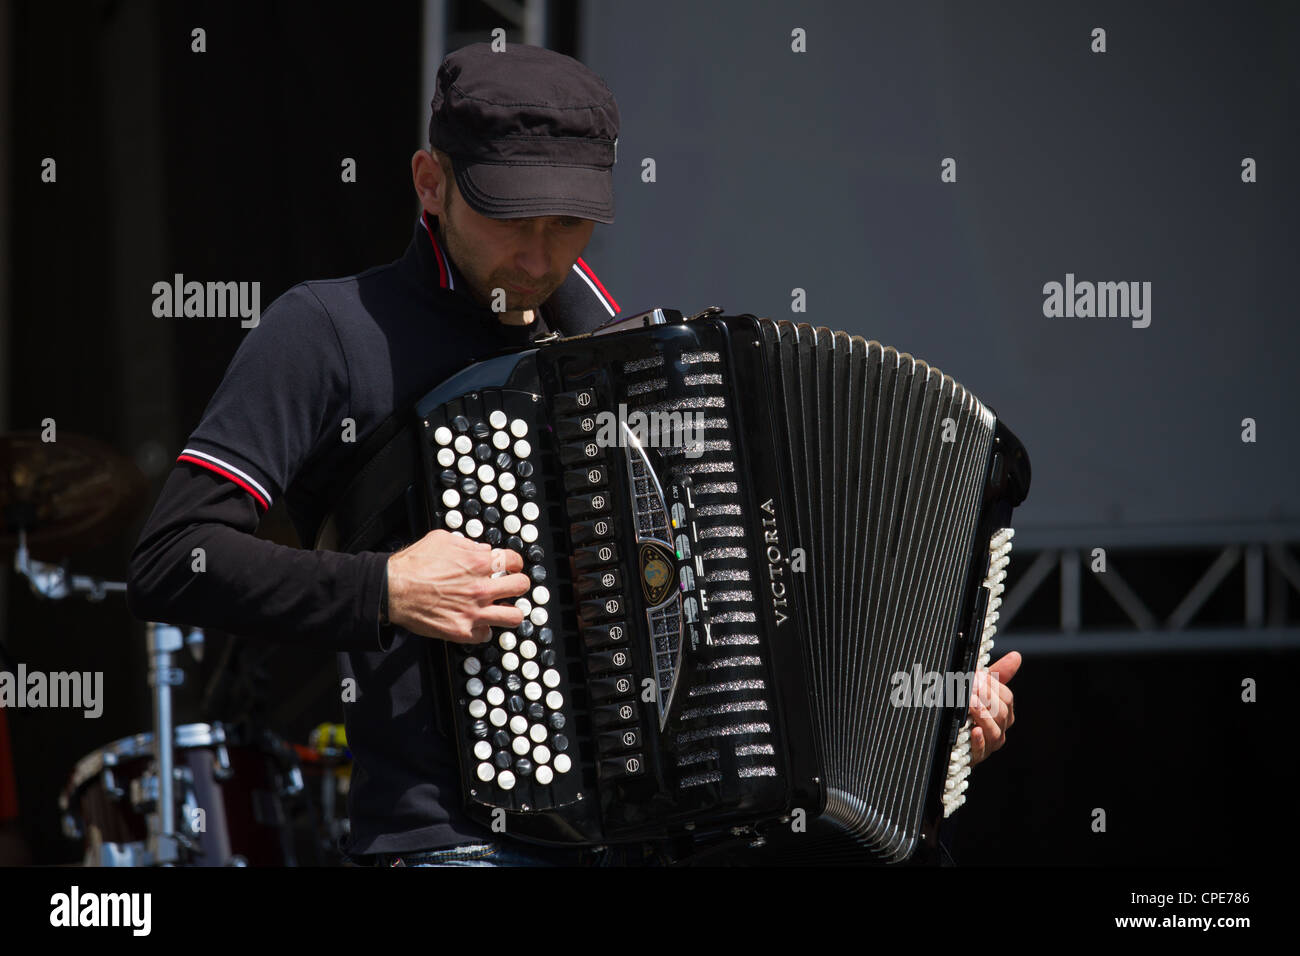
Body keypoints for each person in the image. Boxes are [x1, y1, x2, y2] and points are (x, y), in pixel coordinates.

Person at [128, 42, 1017, 868]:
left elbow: (754, 611)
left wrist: (921, 710)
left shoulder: (622, 351)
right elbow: (173, 558)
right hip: (457, 842)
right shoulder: (328, 330)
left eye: (568, 222)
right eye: (509, 216)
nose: (538, 254)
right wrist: (386, 588)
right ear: (430, 183)